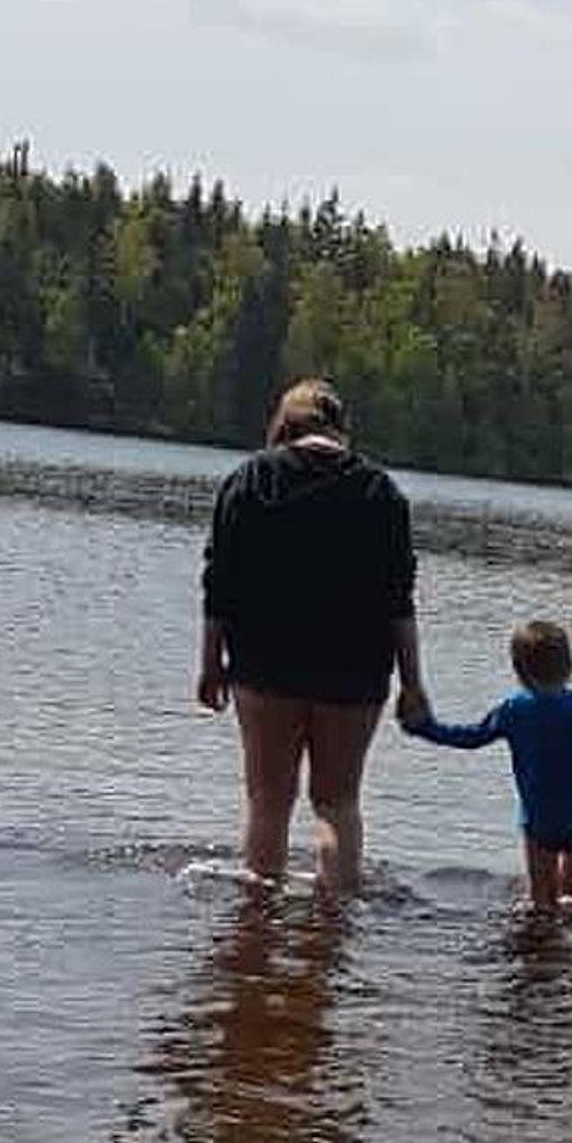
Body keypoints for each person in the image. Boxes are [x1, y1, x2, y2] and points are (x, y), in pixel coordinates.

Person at [197, 378, 423, 894]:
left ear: (283, 426)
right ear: (341, 430)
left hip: (264, 663)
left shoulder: (250, 480)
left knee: (269, 800)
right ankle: (335, 922)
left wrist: (210, 663)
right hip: (355, 669)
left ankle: (257, 919)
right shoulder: (380, 492)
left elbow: (219, 584)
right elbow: (399, 599)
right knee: (338, 803)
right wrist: (413, 683)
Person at [399, 619, 572, 913]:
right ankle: (570, 899)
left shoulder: (514, 709)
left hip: (541, 811)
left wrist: (425, 728)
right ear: (570, 666)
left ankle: (545, 913)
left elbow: (471, 737)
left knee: (541, 885)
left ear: (519, 671)